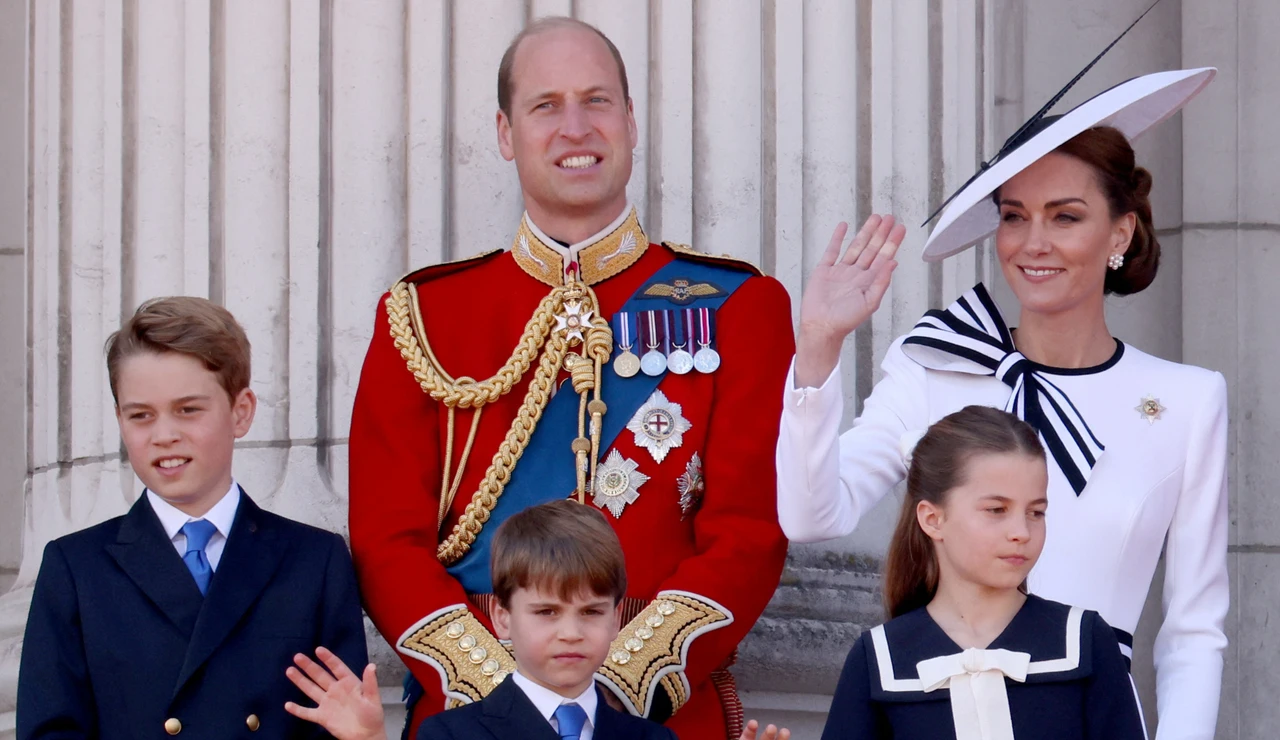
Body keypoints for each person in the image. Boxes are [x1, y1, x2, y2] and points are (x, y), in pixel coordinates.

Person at [348, 16, 793, 740]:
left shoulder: (739, 308)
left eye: (597, 101)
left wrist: (613, 685)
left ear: (631, 121)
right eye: (545, 105)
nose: (575, 127)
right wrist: (508, 697)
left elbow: (749, 533)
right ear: (505, 132)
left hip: (659, 720)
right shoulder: (423, 315)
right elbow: (385, 541)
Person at [776, 67, 1227, 739]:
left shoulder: (1189, 401)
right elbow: (811, 515)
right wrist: (817, 345)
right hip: (934, 708)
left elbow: (1193, 632)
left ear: (1120, 234)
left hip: (1087, 715)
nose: (1032, 243)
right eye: (1015, 217)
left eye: (1065, 217)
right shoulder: (933, 365)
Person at [15, 296, 368, 739]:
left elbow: (339, 726)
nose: (164, 435)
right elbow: (50, 730)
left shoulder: (315, 560)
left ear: (241, 412)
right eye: (140, 415)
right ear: (120, 421)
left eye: (188, 410)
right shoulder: (76, 567)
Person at [821, 406, 1145, 739]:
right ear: (933, 519)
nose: (1021, 531)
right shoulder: (880, 658)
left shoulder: (1084, 642)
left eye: (1036, 512)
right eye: (996, 510)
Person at [284, 500, 679, 740]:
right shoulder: (452, 736)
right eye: (546, 612)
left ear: (616, 619)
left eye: (591, 612)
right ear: (502, 618)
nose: (571, 634)